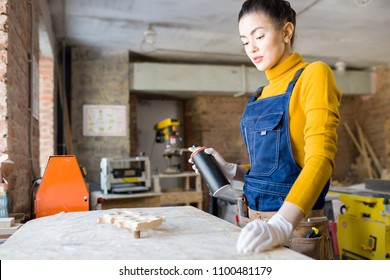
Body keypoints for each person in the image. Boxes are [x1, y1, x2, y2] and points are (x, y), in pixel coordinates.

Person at [189, 0, 341, 259]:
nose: (252, 48)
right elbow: (276, 169)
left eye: (259, 35)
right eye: (245, 42)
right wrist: (234, 171)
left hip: (296, 228)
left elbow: (320, 161)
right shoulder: (259, 95)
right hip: (252, 226)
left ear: (286, 31)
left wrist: (282, 224)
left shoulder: (314, 74)